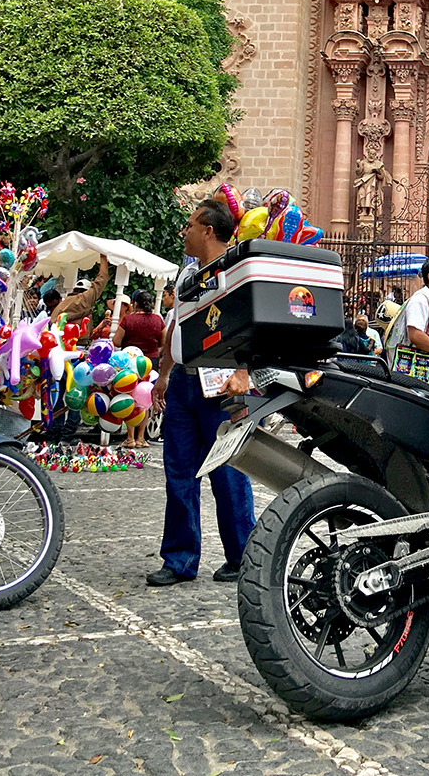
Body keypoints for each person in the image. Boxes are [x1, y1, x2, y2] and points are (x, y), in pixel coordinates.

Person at [146, 199, 255, 588]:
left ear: (209, 230)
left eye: (190, 225)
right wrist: (164, 374)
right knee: (178, 473)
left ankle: (243, 557)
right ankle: (179, 560)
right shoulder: (187, 275)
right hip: (183, 384)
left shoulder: (240, 270)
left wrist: (243, 372)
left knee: (228, 473)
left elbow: (250, 326)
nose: (184, 232)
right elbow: (177, 327)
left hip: (222, 384)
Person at [115, 288, 164, 448]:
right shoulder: (157, 320)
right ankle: (141, 438)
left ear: (135, 303)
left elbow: (116, 341)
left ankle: (130, 438)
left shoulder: (128, 320)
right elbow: (163, 342)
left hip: (130, 363)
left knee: (130, 398)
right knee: (145, 399)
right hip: (151, 364)